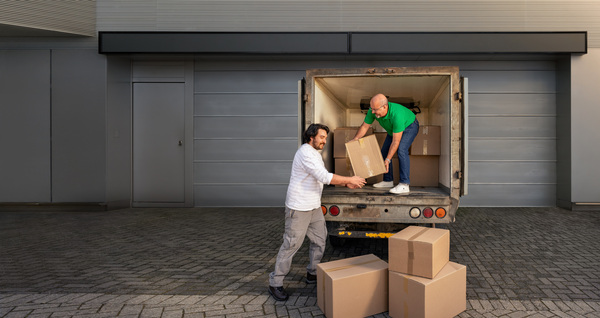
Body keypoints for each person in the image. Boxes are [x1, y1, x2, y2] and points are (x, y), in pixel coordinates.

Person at [268, 123, 366, 301]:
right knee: (291, 245)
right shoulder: (305, 153)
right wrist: (348, 180)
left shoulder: (314, 154)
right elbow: (324, 177)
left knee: (320, 240)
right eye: (322, 137)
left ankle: (312, 273)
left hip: (313, 206)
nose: (324, 141)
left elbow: (322, 175)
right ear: (311, 136)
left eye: (325, 138)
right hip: (298, 207)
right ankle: (276, 283)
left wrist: (346, 182)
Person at [352, 93, 419, 194]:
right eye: (372, 109)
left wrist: (388, 159)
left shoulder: (397, 114)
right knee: (384, 152)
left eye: (375, 109)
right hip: (393, 129)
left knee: (401, 150)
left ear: (384, 107)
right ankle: (388, 180)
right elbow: (365, 126)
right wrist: (355, 139)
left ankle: (404, 184)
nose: (373, 112)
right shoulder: (373, 110)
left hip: (409, 126)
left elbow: (396, 142)